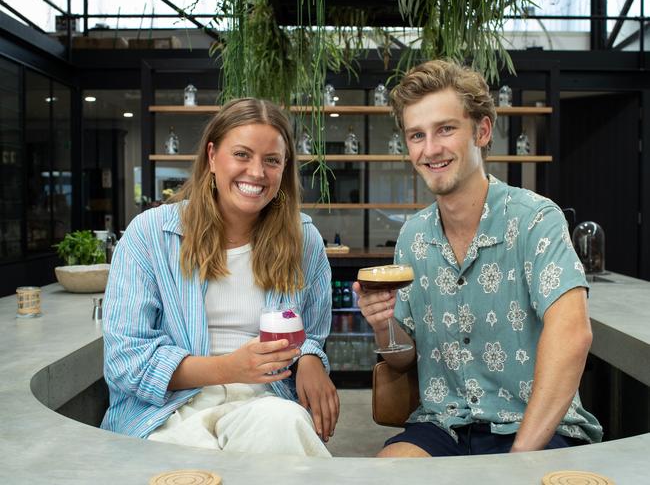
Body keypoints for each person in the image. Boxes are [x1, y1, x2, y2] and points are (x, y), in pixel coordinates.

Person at [353, 60, 602, 457]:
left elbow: (574, 333)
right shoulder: (413, 237)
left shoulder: (536, 219)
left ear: (482, 131)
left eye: (445, 129)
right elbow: (402, 360)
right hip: (442, 425)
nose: (430, 148)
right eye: (417, 135)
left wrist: (519, 460)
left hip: (532, 425)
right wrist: (384, 326)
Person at [101, 98, 338, 457]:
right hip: (168, 410)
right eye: (242, 154)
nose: (257, 173)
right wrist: (228, 368)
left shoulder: (304, 240)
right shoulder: (149, 235)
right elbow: (126, 361)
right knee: (191, 464)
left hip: (263, 403)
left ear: (284, 168)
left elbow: (310, 335)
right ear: (212, 157)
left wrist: (309, 359)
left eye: (271, 160)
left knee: (284, 425)